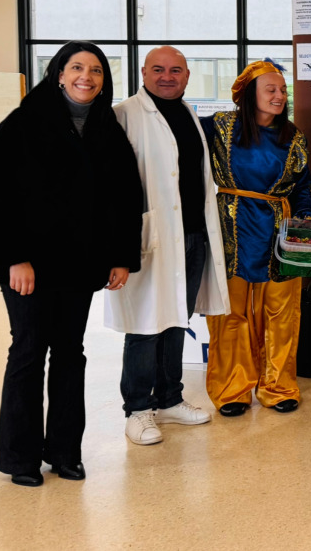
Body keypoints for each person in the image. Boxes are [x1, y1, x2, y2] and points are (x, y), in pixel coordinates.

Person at [0, 41, 142, 487]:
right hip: (29, 264)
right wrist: (13, 258)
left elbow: (125, 199)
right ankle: (19, 457)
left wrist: (121, 257)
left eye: (96, 70)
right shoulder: (23, 123)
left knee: (70, 354)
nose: (86, 76)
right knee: (28, 349)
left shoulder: (107, 127)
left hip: (80, 263)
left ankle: (63, 452)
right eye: (76, 67)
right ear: (58, 73)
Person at [106, 46, 229, 446]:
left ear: (188, 75)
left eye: (175, 70)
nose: (167, 76)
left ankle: (170, 398)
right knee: (144, 324)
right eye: (158, 69)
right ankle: (138, 410)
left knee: (177, 317)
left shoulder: (189, 113)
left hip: (193, 235)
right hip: (148, 239)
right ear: (143, 72)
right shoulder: (125, 114)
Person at [202, 60, 311, 417]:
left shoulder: (293, 136)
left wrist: (307, 217)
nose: (280, 96)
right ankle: (232, 388)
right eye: (271, 89)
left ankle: (278, 386)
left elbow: (302, 186)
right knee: (231, 312)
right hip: (231, 229)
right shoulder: (220, 127)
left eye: (283, 90)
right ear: (249, 95)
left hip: (279, 232)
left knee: (282, 313)